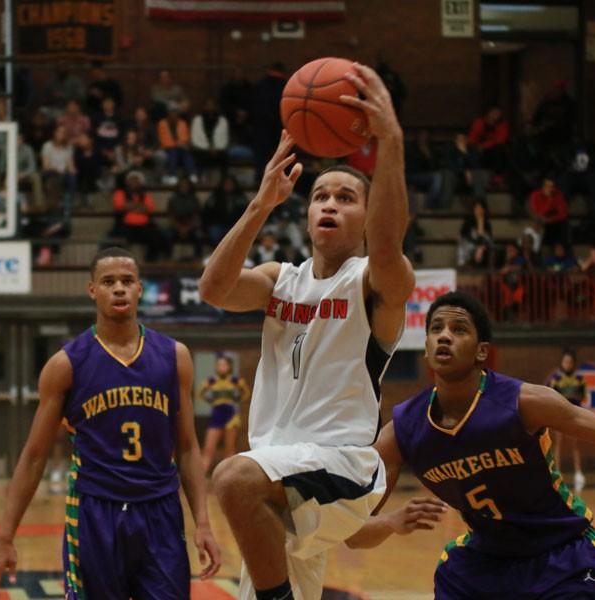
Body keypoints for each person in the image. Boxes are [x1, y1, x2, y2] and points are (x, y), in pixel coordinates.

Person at [199, 63, 414, 600]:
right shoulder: (280, 281)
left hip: (339, 467)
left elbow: (388, 246)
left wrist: (390, 140)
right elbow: (215, 290)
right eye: (321, 196)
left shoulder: (371, 281)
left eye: (346, 198)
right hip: (279, 479)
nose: (331, 205)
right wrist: (260, 204)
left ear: (366, 216)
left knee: (230, 478)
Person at [347, 290, 595, 599]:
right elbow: (352, 532)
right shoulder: (403, 430)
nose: (444, 336)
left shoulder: (524, 402)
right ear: (426, 348)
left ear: (482, 352)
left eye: (458, 329)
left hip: (562, 550)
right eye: (436, 329)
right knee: (453, 570)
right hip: (487, 562)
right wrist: (391, 523)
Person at [0, 247, 221, 599]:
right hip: (95, 513)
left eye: (127, 281)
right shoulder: (66, 364)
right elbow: (34, 456)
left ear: (140, 288)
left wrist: (203, 520)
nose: (119, 289)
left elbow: (186, 446)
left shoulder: (175, 357)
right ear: (92, 290)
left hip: (160, 510)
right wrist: (5, 537)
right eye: (108, 282)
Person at [199, 354, 250, 472]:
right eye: (219, 365)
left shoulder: (235, 380)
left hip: (230, 416)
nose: (221, 367)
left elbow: (246, 393)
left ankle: (227, 477)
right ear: (216, 367)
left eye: (224, 365)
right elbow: (200, 393)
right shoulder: (211, 381)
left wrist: (236, 401)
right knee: (208, 449)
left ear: (229, 367)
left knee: (229, 450)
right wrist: (211, 401)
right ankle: (200, 477)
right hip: (216, 415)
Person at [548, 348, 588, 491]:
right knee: (558, 443)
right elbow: (552, 398)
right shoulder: (556, 379)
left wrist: (572, 398)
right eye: (565, 361)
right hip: (559, 415)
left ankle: (578, 473)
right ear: (562, 363)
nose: (567, 364)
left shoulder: (579, 379)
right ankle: (558, 473)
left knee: (575, 444)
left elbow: (582, 396)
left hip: (575, 414)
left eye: (570, 362)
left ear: (573, 363)